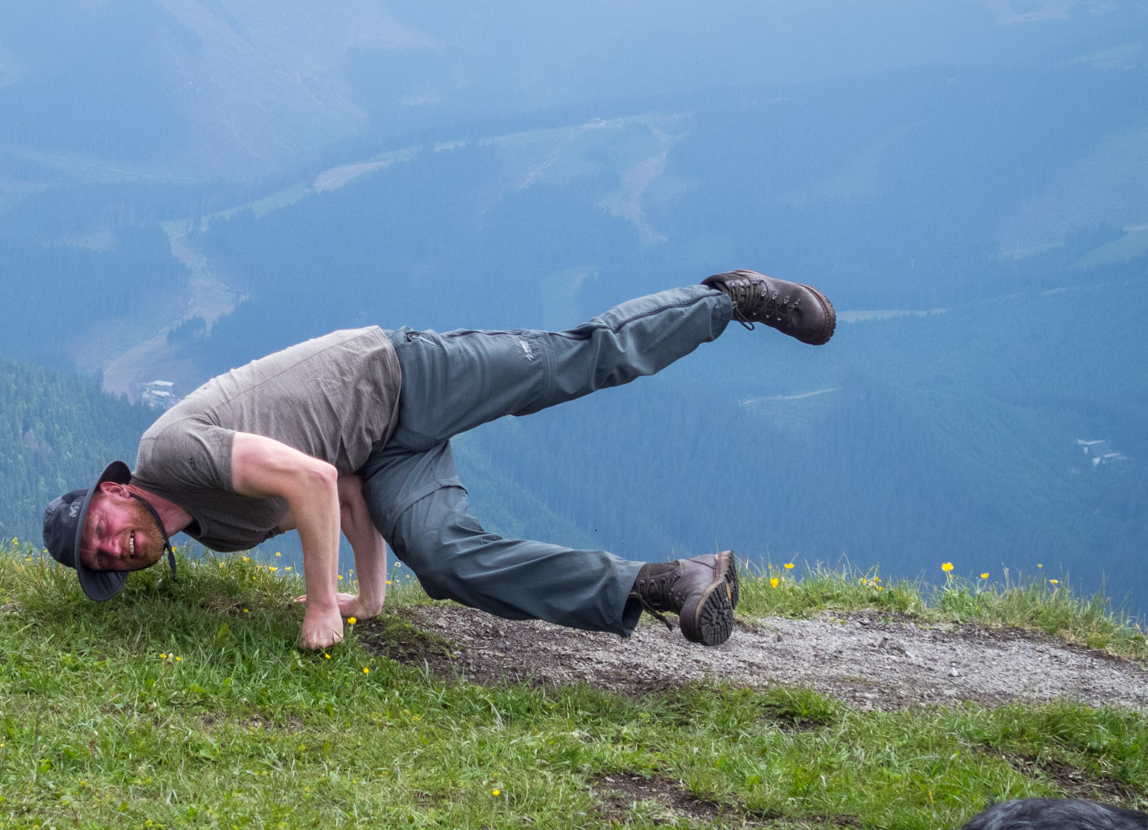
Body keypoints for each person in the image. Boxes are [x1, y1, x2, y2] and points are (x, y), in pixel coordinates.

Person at [43, 272, 835, 651]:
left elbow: (309, 480)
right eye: (102, 560)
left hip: (397, 375)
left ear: (114, 489)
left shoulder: (166, 451)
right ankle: (668, 582)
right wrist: (371, 596)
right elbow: (344, 487)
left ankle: (730, 299)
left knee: (572, 364)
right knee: (450, 564)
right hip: (381, 456)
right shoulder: (216, 532)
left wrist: (324, 605)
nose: (113, 547)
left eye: (100, 528)